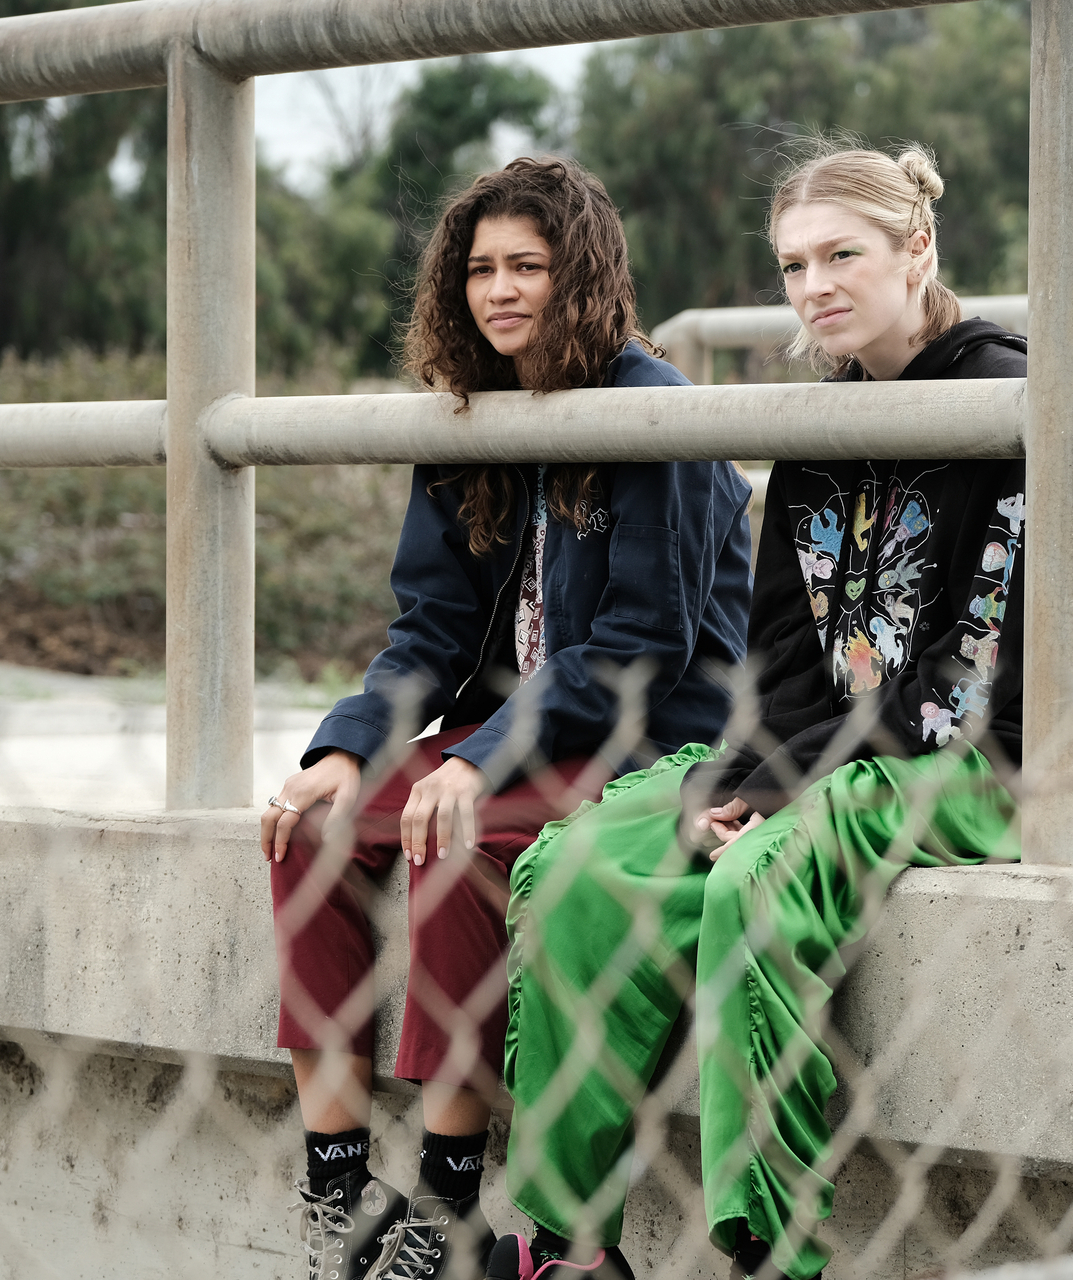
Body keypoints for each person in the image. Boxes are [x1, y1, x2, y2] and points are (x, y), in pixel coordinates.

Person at [490, 143, 1026, 1280]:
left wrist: (784, 787)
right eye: (792, 265)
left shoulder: (1003, 395)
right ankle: (567, 1244)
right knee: (583, 863)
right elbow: (780, 652)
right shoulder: (818, 424)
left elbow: (968, 673)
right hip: (819, 753)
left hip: (968, 762)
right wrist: (733, 776)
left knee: (753, 881)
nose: (814, 285)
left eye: (843, 255)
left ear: (917, 246)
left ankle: (768, 1251)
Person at [262, 155, 755, 1280]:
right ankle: (338, 1180)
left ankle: (446, 1201)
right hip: (510, 736)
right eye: (481, 268)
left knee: (456, 835)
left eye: (527, 265)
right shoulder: (469, 418)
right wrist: (348, 748)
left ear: (579, 271)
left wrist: (475, 762)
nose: (500, 289)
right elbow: (430, 627)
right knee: (307, 828)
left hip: (646, 737)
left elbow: (641, 648)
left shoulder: (650, 412)